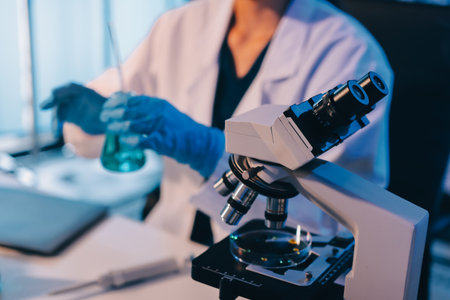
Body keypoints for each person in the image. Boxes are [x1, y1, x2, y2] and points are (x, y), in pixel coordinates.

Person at [43, 0, 393, 244]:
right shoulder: (178, 25)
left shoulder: (349, 53)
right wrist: (96, 118)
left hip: (271, 261)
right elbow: (102, 118)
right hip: (168, 243)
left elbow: (340, 218)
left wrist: (208, 150)